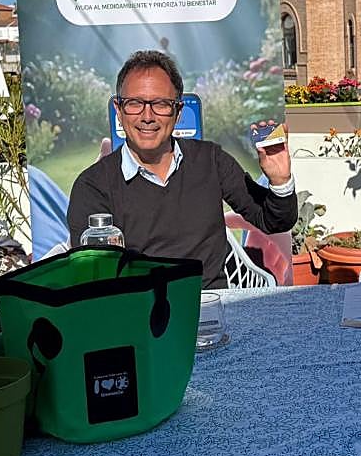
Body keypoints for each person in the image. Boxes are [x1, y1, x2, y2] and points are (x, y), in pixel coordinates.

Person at [68, 51, 297, 289]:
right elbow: (94, 279)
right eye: (135, 103)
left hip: (210, 308)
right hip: (137, 312)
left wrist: (280, 181)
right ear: (119, 109)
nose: (147, 116)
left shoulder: (211, 160)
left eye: (161, 104)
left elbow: (274, 222)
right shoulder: (93, 186)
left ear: (178, 112)